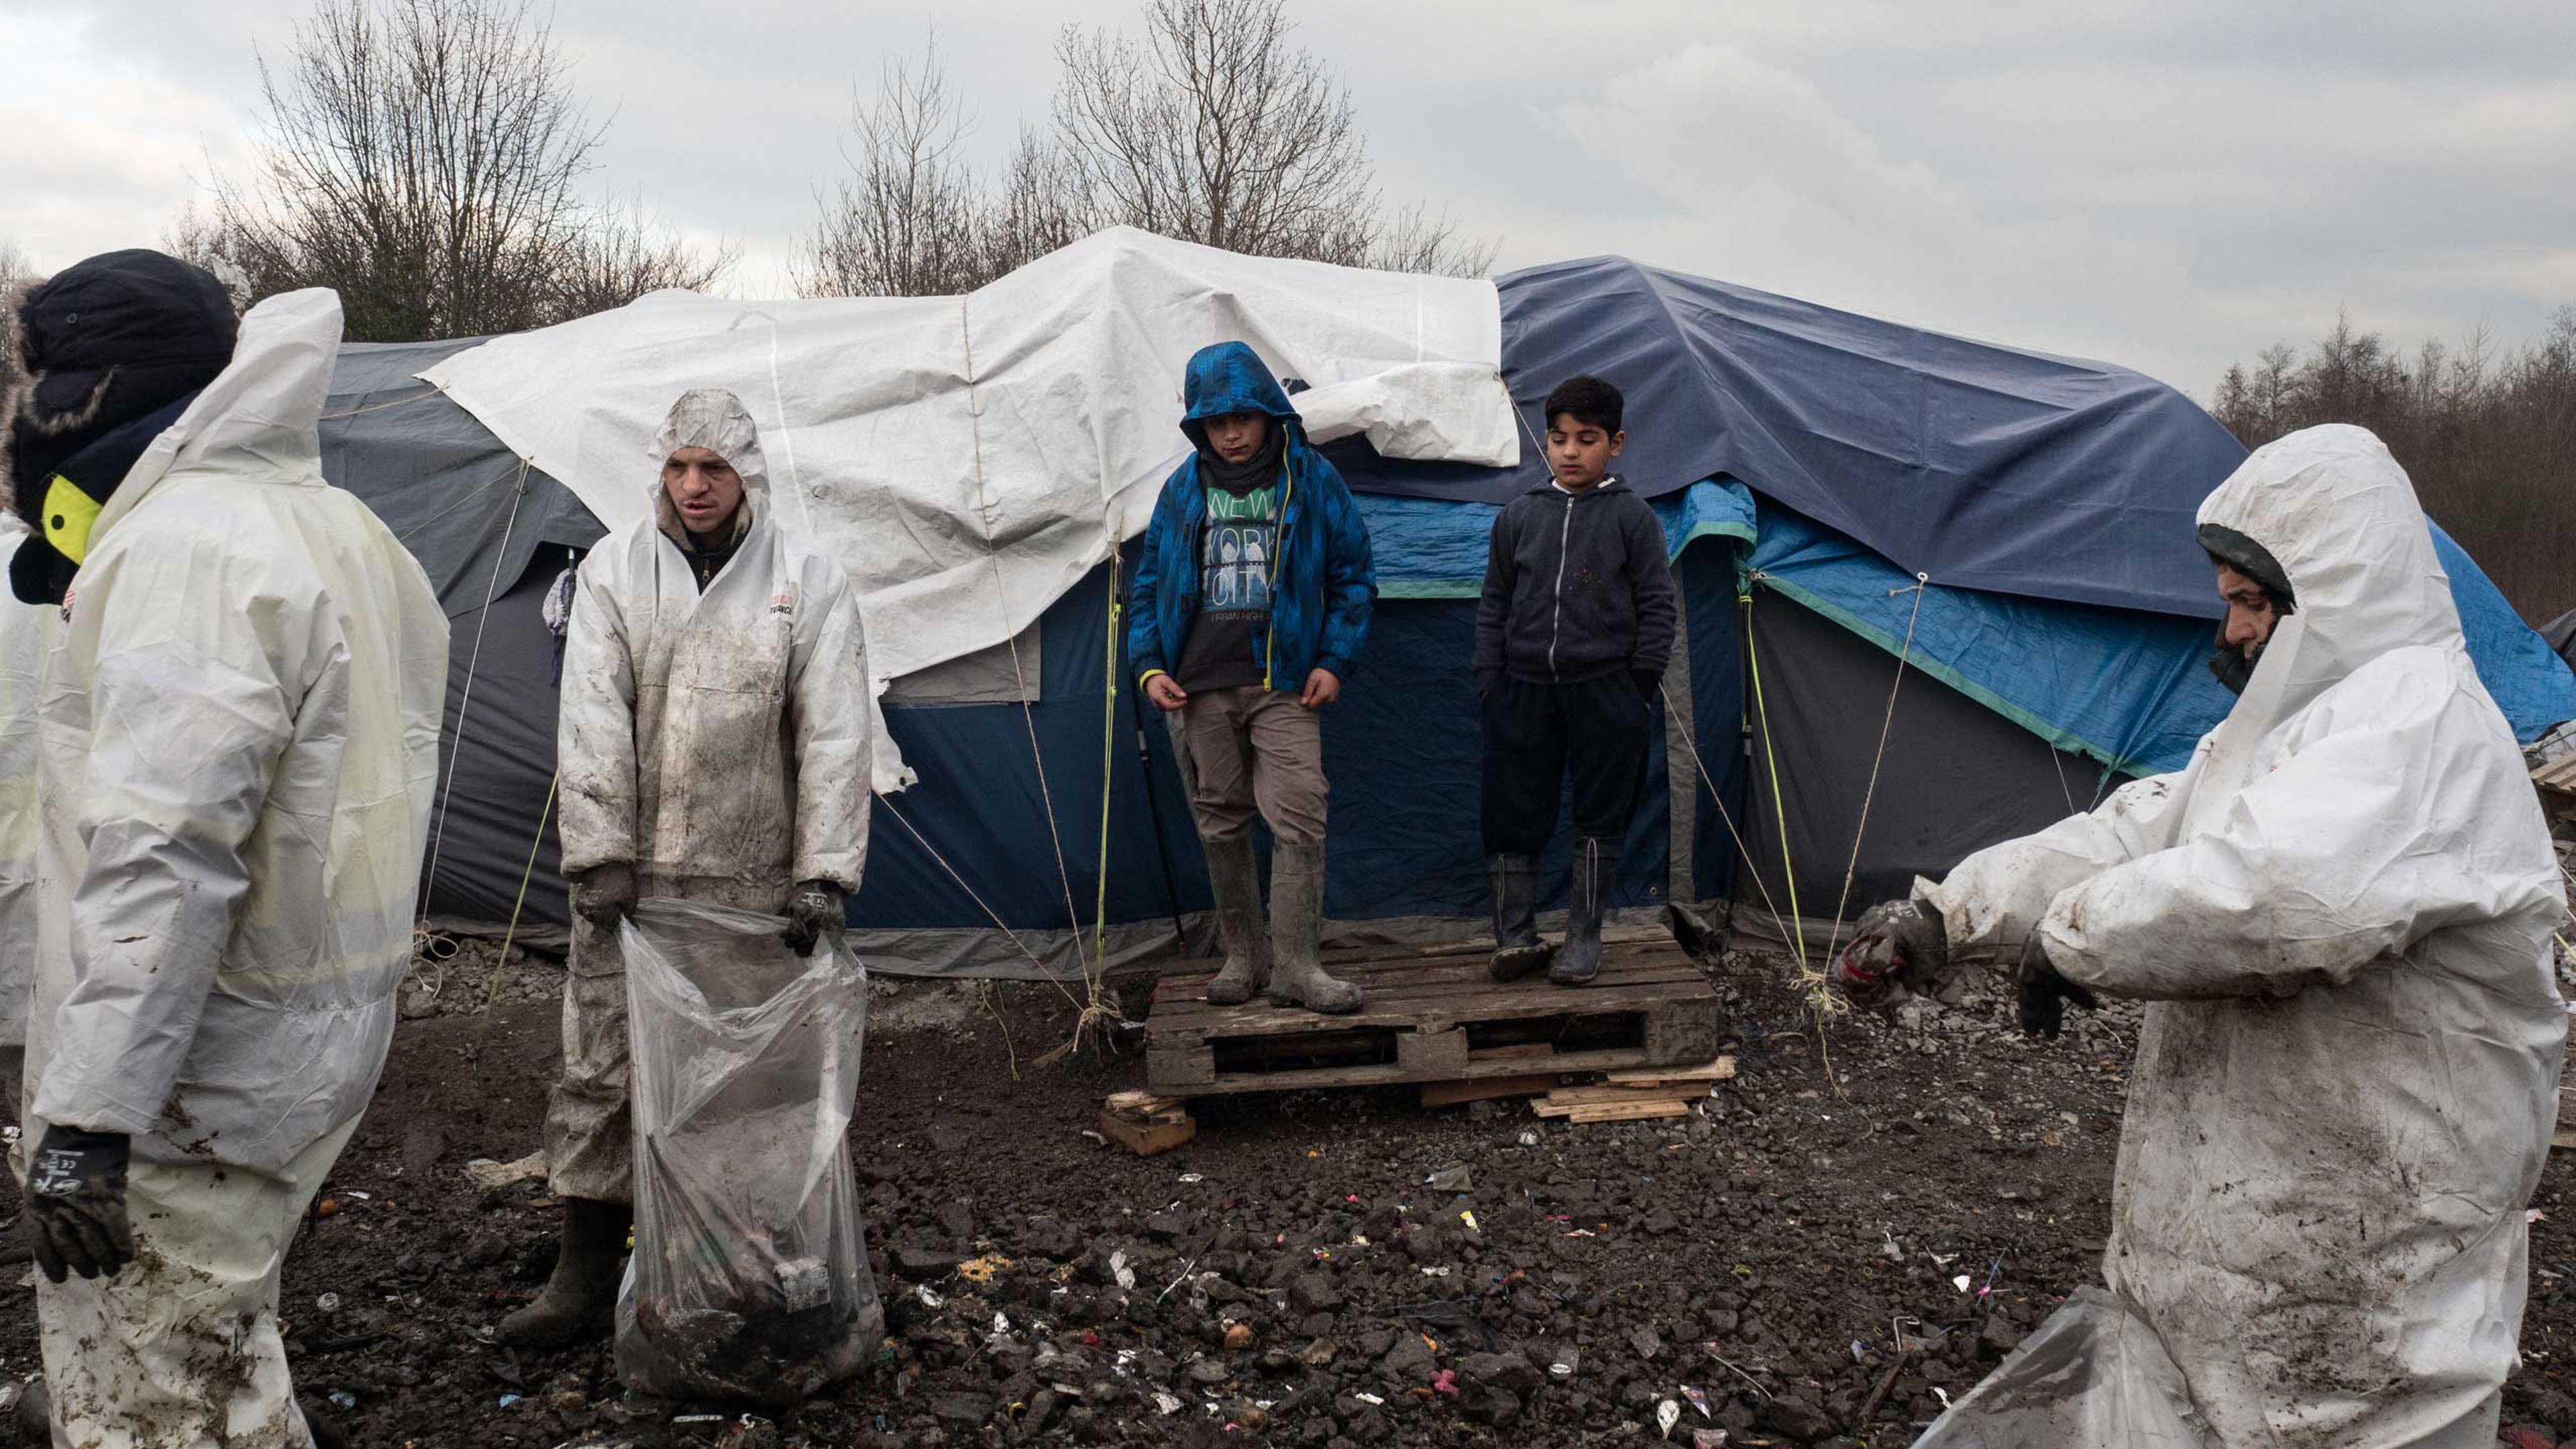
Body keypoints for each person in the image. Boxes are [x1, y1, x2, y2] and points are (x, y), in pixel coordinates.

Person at [1835, 424, 2567, 1447]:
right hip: (2269, 1228)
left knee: (2355, 1414)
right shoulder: (2294, 729)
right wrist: (1954, 915)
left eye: (2251, 603)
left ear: (2333, 598)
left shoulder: (2419, 729)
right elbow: (2148, 829)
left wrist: (2073, 940)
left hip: (2375, 1252)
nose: (2228, 633)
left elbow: (2268, 897)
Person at [5, 254, 448, 1448]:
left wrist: (90, 1120)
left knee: (162, 1395)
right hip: (305, 1033)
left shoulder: (188, 553)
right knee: (214, 1344)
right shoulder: (344, 531)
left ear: (87, 394)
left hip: (185, 1068)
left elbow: (165, 852)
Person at [504, 387, 875, 1347]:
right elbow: (591, 711)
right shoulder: (616, 572)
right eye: (678, 467)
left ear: (747, 475)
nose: (694, 486)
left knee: (744, 1084)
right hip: (631, 889)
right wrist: (599, 856)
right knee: (602, 1070)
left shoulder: (807, 577)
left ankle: (727, 1273)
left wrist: (822, 875)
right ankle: (585, 1273)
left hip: (753, 885)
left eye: (713, 469)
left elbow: (834, 727)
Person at [1128, 341, 1376, 1014]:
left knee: (1299, 809)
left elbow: (1353, 575)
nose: (1233, 433)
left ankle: (1298, 964)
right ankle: (1244, 955)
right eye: (1217, 421)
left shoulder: (1311, 477)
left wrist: (1334, 659)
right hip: (1200, 681)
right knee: (1220, 819)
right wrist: (1149, 666)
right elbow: (1149, 586)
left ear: (1270, 412)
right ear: (1200, 426)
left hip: (1284, 680)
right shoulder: (1183, 488)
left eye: (1244, 417)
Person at [1476, 376, 1676, 986]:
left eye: (1586, 440)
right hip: (1523, 689)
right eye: (1559, 439)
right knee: (1514, 809)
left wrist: (1637, 683)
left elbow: (1658, 606)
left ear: (1614, 444)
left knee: (1600, 814)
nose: (1570, 452)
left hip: (1607, 690)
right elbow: (1494, 604)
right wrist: (1492, 678)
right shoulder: (1519, 517)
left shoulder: (1632, 519)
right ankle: (1515, 936)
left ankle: (1583, 939)